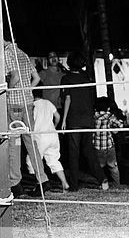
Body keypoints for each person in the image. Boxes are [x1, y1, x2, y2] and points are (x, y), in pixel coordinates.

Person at [4, 38, 50, 198]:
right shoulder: (23, 54)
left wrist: (8, 92)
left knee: (14, 143)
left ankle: (15, 183)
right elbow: (36, 78)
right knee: (31, 143)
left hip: (14, 104)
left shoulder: (7, 53)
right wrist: (26, 91)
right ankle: (42, 179)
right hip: (28, 103)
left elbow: (15, 77)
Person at [60, 51, 108, 192]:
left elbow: (67, 98)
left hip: (74, 119)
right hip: (87, 118)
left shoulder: (66, 79)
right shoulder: (87, 78)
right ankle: (102, 178)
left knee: (73, 153)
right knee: (88, 151)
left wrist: (64, 120)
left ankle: (74, 185)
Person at [26, 87, 69, 192]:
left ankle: (40, 183)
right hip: (52, 135)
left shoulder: (32, 105)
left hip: (40, 136)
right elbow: (57, 116)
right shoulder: (48, 102)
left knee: (32, 160)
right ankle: (65, 183)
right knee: (54, 160)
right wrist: (54, 125)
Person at [93, 97, 124, 188]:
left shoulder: (93, 117)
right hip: (109, 145)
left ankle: (102, 184)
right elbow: (120, 125)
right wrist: (117, 124)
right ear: (108, 107)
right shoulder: (110, 116)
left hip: (97, 146)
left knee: (100, 167)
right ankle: (117, 185)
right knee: (113, 166)